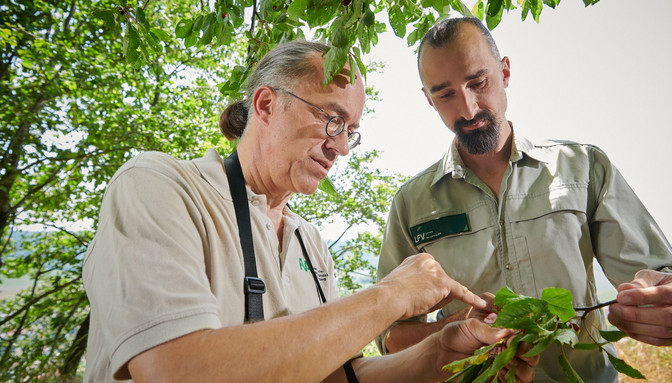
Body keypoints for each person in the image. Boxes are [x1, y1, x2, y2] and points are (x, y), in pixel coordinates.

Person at [82, 39, 538, 382]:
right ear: (266, 104)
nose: (340, 147)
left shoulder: (309, 242)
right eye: (331, 119)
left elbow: (340, 375)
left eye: (351, 131)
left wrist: (441, 349)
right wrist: (390, 296)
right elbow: (175, 368)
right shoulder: (162, 187)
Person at [376, 16, 672, 382]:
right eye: (445, 94)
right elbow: (391, 337)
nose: (468, 109)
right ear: (428, 100)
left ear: (505, 72)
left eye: (478, 82)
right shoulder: (410, 204)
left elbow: (662, 282)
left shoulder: (583, 167)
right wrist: (456, 329)